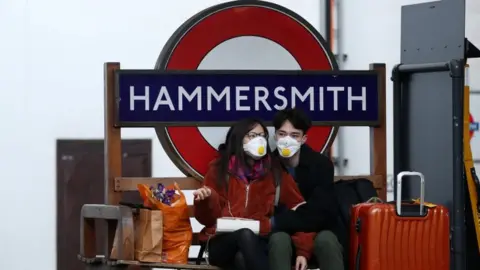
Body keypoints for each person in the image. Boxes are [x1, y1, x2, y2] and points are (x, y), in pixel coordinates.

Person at [193, 118, 314, 270]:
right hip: (220, 242)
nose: (259, 140)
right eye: (252, 136)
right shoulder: (219, 169)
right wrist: (205, 200)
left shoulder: (275, 172)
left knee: (241, 259)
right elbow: (206, 219)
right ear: (239, 139)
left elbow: (299, 211)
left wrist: (303, 250)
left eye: (262, 136)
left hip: (258, 242)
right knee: (245, 234)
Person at [268, 108, 344, 270]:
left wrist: (280, 220)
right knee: (278, 240)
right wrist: (301, 212)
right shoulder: (266, 166)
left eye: (294, 135)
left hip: (318, 231)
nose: (287, 140)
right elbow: (265, 210)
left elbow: (322, 213)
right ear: (275, 136)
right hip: (281, 234)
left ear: (304, 138)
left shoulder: (321, 165)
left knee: (327, 240)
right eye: (282, 134)